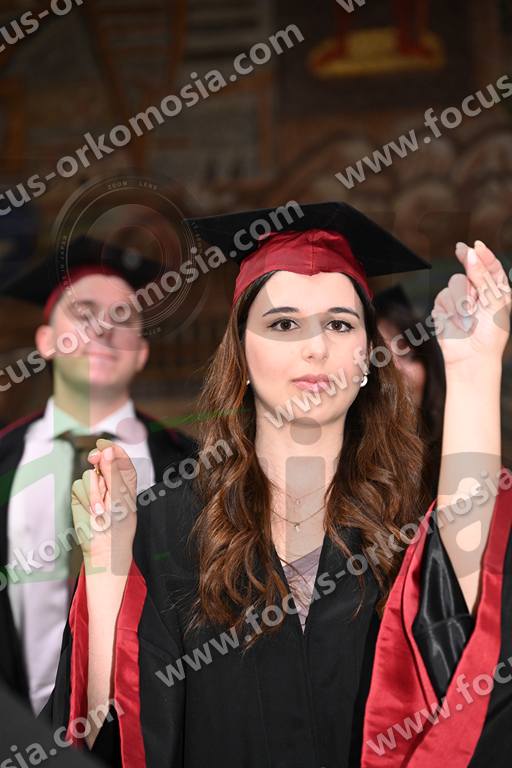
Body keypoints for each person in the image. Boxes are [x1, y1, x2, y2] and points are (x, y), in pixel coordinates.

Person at [45, 203, 511, 767]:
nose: (315, 347)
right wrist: (106, 568)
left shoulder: (410, 516)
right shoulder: (167, 525)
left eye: (340, 324)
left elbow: (466, 643)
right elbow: (112, 741)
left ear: (368, 357)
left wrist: (473, 368)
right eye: (283, 323)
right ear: (241, 355)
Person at [0, 237, 197, 715]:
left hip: (146, 728)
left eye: (123, 317)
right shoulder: (4, 459)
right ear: (46, 341)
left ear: (141, 352)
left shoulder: (191, 468)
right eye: (83, 312)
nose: (104, 329)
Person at [374, 284, 445, 496]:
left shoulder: (456, 457)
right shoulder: (340, 470)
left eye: (407, 354)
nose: (396, 370)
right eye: (380, 358)